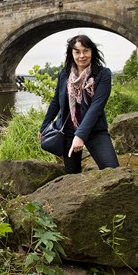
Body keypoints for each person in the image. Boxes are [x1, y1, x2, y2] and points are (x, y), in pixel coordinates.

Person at [38, 35, 119, 174]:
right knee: (72, 174)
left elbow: (96, 106)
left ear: (92, 52)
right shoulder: (64, 74)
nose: (82, 55)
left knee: (112, 170)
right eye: (77, 52)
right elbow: (56, 101)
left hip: (95, 130)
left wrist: (80, 136)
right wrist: (44, 127)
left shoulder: (102, 74)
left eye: (86, 51)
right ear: (71, 54)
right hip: (68, 131)